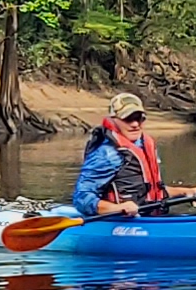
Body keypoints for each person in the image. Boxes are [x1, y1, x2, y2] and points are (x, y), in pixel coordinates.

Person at [68, 91, 167, 220]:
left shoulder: (143, 146)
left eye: (139, 118)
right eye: (128, 119)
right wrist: (118, 208)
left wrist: (187, 192)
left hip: (148, 218)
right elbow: (81, 198)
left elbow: (150, 190)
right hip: (117, 222)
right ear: (113, 121)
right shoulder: (107, 154)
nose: (135, 124)